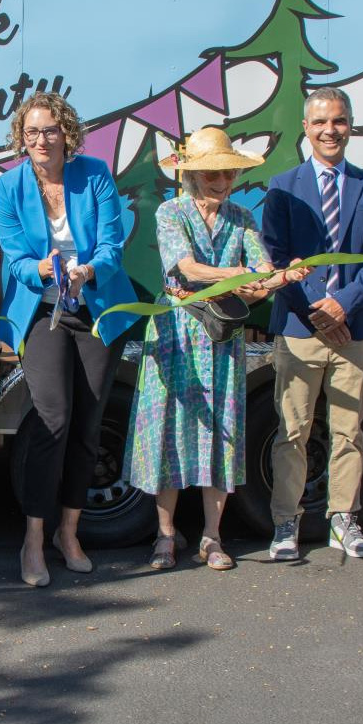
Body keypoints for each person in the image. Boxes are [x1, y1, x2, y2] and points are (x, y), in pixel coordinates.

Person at [127, 129, 301, 571]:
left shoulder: (242, 217)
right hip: (176, 336)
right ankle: (164, 537)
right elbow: (185, 267)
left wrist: (283, 276)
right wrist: (243, 275)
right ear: (191, 174)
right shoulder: (171, 212)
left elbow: (262, 275)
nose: (221, 180)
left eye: (227, 171)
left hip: (222, 339)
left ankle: (211, 537)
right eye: (211, 172)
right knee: (169, 429)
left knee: (220, 431)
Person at [0, 93, 138, 587]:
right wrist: (41, 269)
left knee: (88, 425)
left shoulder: (94, 173)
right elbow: (12, 257)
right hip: (42, 313)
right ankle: (33, 538)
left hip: (96, 308)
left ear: (67, 133)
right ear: (21, 137)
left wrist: (90, 270)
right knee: (53, 420)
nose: (40, 140)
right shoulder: (9, 187)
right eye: (31, 132)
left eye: (50, 130)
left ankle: (68, 534)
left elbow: (112, 245)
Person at [260, 86, 363, 562]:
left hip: (355, 329)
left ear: (350, 125)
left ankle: (344, 520)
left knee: (348, 433)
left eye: (338, 121)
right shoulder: (281, 187)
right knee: (291, 432)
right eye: (320, 122)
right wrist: (315, 311)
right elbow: (273, 259)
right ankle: (284, 524)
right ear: (306, 128)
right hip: (299, 329)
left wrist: (344, 305)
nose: (329, 130)